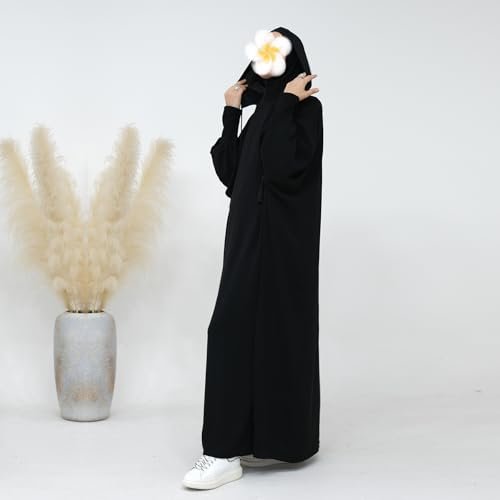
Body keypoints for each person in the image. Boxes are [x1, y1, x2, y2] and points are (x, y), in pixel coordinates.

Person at [182, 26, 323, 490]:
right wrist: (231, 112)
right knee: (233, 332)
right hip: (246, 237)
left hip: (280, 244)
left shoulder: (306, 110)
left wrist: (287, 102)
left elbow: (282, 169)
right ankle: (233, 445)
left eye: (275, 53)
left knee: (269, 333)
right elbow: (231, 171)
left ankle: (232, 450)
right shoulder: (263, 112)